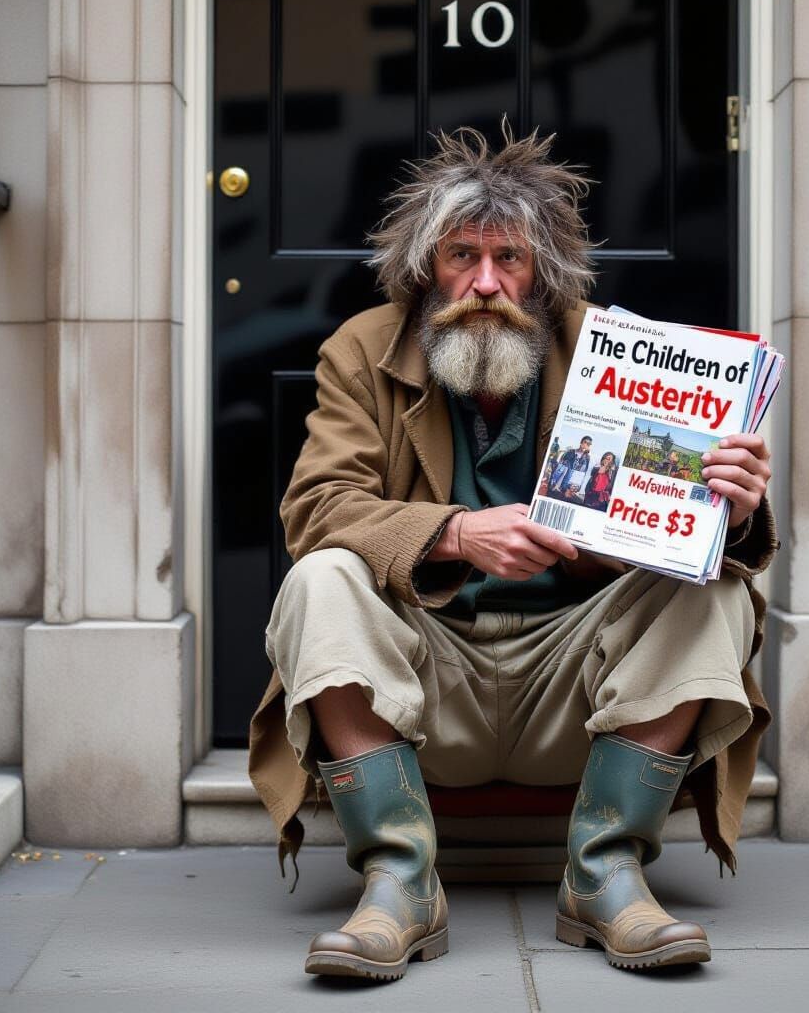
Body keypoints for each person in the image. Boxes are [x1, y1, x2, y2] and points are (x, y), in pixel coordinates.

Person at [248, 125, 777, 982]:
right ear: (425, 268)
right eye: (461, 256)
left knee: (715, 588)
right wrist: (454, 533)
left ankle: (604, 871)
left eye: (511, 261)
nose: (485, 284)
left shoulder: (612, 349)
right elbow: (316, 507)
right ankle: (399, 880)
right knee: (321, 578)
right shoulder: (362, 348)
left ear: (545, 274)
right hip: (425, 680)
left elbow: (694, 531)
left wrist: (736, 504)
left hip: (579, 687)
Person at [548, 435, 593, 500]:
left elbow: (584, 472)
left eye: (588, 444)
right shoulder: (570, 451)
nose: (586, 445)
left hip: (573, 483)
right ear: (581, 442)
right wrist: (554, 480)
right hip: (561, 480)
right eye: (585, 442)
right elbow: (561, 464)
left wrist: (579, 487)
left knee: (567, 498)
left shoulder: (587, 457)